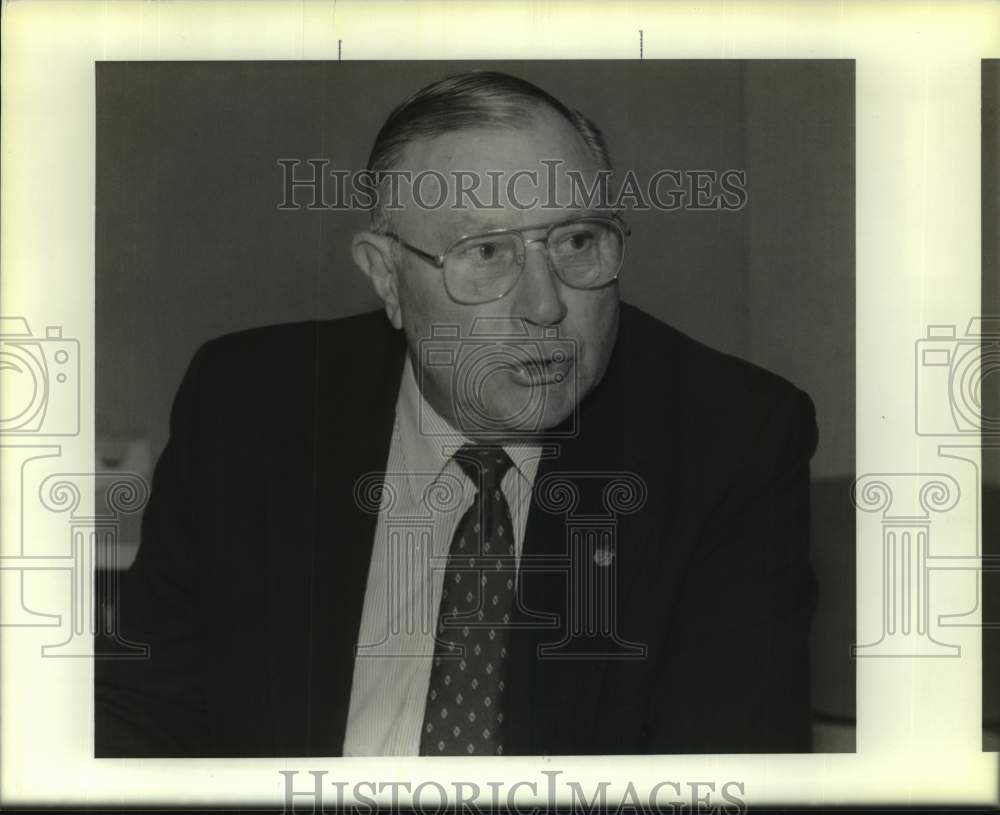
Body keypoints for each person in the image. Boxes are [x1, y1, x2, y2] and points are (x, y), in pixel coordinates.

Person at [95, 70, 819, 758]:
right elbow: (141, 719)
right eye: (486, 252)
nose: (545, 305)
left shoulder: (731, 441)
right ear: (387, 275)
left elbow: (722, 773)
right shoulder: (248, 406)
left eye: (576, 241)